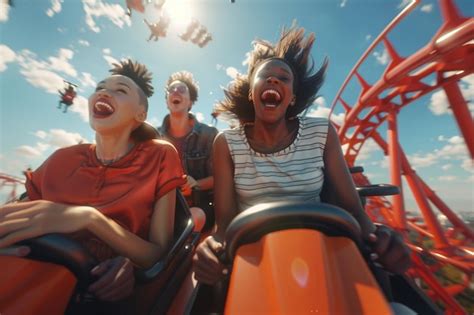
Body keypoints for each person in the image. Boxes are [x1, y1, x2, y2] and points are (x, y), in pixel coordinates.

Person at [193, 25, 411, 285]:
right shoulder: (226, 143)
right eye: (265, 76)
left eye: (284, 78)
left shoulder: (321, 132)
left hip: (321, 246)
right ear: (252, 93)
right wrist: (210, 248)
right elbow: (225, 224)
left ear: (292, 98)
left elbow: (354, 211)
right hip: (255, 252)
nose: (274, 80)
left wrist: (384, 242)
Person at [0, 59, 185, 304]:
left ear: (141, 114)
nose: (104, 92)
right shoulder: (60, 159)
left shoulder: (161, 155)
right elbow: (13, 217)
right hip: (26, 277)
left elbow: (157, 254)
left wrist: (91, 219)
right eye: (100, 88)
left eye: (120, 90)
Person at [158, 71, 218, 231]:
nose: (175, 91)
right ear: (166, 101)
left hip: (201, 206)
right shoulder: (154, 138)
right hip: (163, 208)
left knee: (190, 220)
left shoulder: (209, 135)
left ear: (190, 102)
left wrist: (195, 184)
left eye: (182, 89)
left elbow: (221, 177)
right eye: (171, 90)